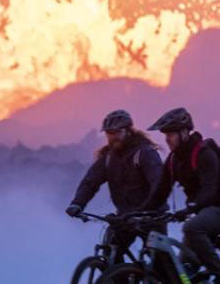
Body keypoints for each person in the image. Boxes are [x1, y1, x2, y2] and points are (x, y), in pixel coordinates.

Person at [139, 107, 220, 284]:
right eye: (165, 135)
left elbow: (209, 190)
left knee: (191, 228)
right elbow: (160, 193)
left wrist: (190, 209)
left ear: (184, 132)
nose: (167, 139)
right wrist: (138, 212)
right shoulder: (173, 160)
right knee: (183, 271)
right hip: (202, 212)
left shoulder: (203, 153)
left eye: (171, 134)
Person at [65, 109, 166, 260]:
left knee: (160, 264)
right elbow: (90, 182)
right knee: (110, 253)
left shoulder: (144, 153)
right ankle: (123, 281)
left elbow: (158, 183)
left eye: (117, 132)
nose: (113, 137)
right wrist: (78, 204)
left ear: (128, 131)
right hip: (125, 217)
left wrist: (148, 210)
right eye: (109, 133)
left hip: (151, 217)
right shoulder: (108, 158)